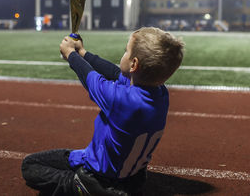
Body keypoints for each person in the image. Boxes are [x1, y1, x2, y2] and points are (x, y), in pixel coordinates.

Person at [22, 27, 185, 196]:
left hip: (103, 175)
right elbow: (115, 73)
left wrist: (71, 54)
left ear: (134, 64)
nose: (123, 54)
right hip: (134, 176)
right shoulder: (160, 93)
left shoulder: (121, 100)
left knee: (30, 165)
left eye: (126, 51)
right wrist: (83, 53)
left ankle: (89, 188)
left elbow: (90, 78)